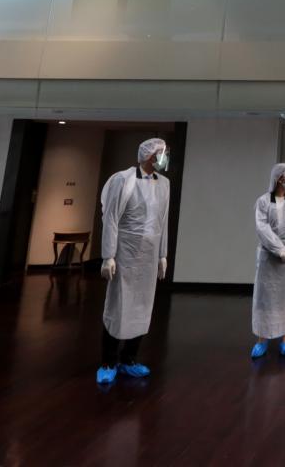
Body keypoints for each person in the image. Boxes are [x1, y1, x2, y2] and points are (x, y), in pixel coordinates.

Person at [96, 137, 173, 385]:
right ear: (151, 156)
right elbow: (111, 219)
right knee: (119, 305)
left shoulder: (164, 184)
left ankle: (129, 358)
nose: (165, 157)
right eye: (163, 153)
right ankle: (108, 361)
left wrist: (162, 254)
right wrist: (108, 255)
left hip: (149, 256)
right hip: (125, 252)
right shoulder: (123, 180)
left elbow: (163, 221)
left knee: (142, 307)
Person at [251, 162, 285, 359]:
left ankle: (284, 339)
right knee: (265, 299)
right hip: (268, 256)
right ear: (279, 178)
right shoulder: (264, 201)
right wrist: (278, 248)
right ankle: (261, 340)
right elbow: (262, 228)